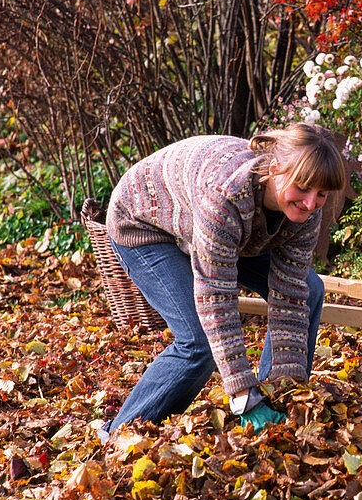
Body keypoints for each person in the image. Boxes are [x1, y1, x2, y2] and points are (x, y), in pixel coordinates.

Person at [99, 123, 346, 441]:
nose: (311, 203)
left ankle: (271, 408)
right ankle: (117, 433)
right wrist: (242, 392)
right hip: (143, 222)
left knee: (310, 289)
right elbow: (216, 297)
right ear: (274, 169)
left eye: (321, 194)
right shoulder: (226, 195)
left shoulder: (305, 211)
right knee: (198, 342)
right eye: (303, 188)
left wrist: (288, 390)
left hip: (224, 229)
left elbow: (290, 293)